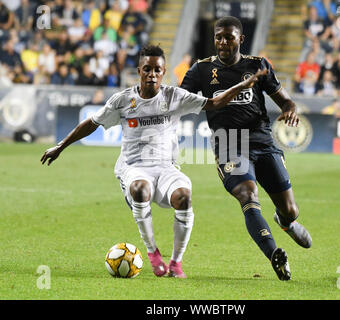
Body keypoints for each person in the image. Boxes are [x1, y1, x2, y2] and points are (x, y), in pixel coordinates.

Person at [40, 45, 266, 278]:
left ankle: (176, 263)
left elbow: (214, 102)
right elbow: (92, 123)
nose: (152, 74)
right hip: (134, 168)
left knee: (184, 196)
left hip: (167, 168)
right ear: (139, 70)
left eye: (157, 70)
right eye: (147, 69)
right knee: (140, 189)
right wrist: (60, 146)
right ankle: (152, 253)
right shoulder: (123, 100)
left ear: (164, 71)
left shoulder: (174, 96)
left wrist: (242, 85)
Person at [180, 16, 312, 281]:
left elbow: (286, 101)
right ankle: (275, 255)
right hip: (229, 144)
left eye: (229, 37)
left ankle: (285, 222)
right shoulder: (201, 70)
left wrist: (290, 112)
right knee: (248, 196)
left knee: (290, 210)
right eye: (218, 37)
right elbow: (179, 101)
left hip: (263, 142)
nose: (223, 42)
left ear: (241, 39)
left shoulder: (257, 66)